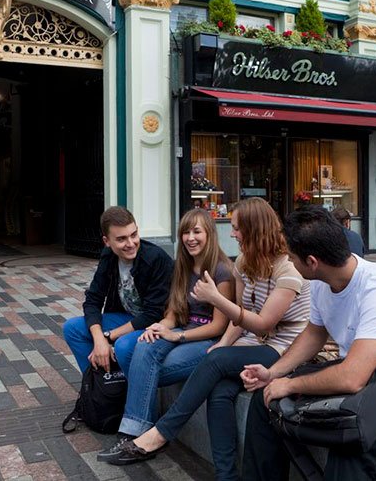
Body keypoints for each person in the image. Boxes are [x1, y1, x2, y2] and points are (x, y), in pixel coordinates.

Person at [101, 197, 311, 480]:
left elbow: (263, 325)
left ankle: (159, 434)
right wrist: (222, 345)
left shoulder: (288, 270)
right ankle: (226, 476)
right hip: (252, 343)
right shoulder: (245, 262)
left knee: (216, 361)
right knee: (219, 390)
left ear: (254, 228)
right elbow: (242, 317)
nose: (233, 233)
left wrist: (215, 302)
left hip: (284, 348)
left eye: (237, 228)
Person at [241, 206, 376, 481]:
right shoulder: (321, 280)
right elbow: (314, 335)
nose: (289, 263)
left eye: (292, 258)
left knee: (351, 448)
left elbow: (352, 378)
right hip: (366, 378)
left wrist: (291, 384)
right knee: (266, 399)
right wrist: (274, 374)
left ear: (312, 261)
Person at [97, 209, 234, 459]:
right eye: (185, 232)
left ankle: (133, 437)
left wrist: (177, 337)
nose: (190, 238)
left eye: (197, 231)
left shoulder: (222, 271)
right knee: (144, 344)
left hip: (208, 341)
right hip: (182, 329)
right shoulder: (182, 266)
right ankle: (137, 431)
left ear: (210, 234)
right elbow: (172, 313)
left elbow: (219, 327)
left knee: (147, 369)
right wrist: (161, 327)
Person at [62, 206, 174, 375]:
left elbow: (154, 314)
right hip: (126, 318)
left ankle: (120, 387)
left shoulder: (156, 259)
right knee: (72, 328)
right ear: (107, 241)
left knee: (122, 345)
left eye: (134, 235)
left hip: (154, 325)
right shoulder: (109, 256)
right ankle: (98, 385)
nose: (130, 244)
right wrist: (99, 339)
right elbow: (93, 300)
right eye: (121, 239)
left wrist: (108, 336)